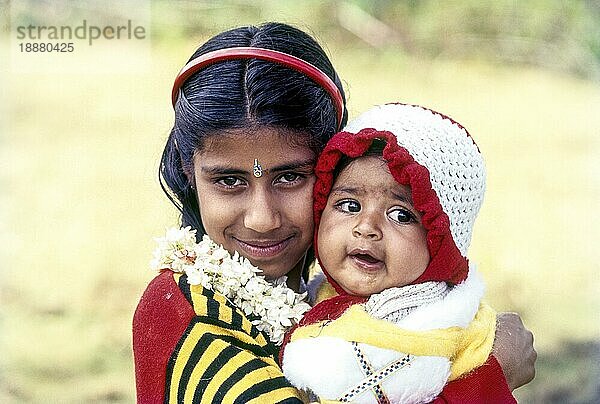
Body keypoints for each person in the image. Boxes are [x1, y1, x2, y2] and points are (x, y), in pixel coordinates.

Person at [132, 22, 536, 403]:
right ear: (189, 171)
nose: (262, 218)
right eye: (229, 181)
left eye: (290, 177)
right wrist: (490, 378)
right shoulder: (182, 312)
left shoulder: (343, 305)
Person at [281, 103, 519, 403]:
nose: (366, 227)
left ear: (441, 243)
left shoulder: (439, 334)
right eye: (350, 206)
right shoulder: (314, 294)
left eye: (401, 215)